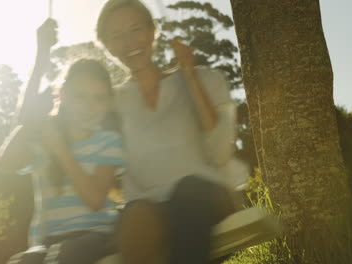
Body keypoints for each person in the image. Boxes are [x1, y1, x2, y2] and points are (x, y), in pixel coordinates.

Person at [96, 1, 242, 263]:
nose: (129, 42)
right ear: (108, 48)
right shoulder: (110, 104)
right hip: (147, 209)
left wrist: (189, 77)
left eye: (135, 29)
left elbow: (220, 153)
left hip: (206, 197)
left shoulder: (204, 78)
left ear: (153, 30)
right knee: (136, 216)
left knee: (189, 189)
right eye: (116, 36)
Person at [0, 19, 124, 264]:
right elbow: (7, 160)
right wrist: (41, 56)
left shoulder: (108, 142)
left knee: (67, 255)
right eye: (80, 96)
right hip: (45, 242)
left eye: (98, 99)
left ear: (108, 103)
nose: (89, 107)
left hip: (93, 235)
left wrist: (61, 151)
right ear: (62, 96)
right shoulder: (45, 137)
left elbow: (96, 199)